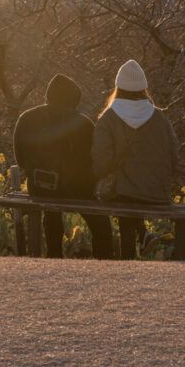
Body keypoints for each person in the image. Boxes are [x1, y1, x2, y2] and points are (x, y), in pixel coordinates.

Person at [13, 73, 113, 258]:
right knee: (101, 227)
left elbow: (20, 157)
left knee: (51, 212)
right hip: (77, 190)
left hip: (40, 187)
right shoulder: (83, 123)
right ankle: (105, 262)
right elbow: (94, 159)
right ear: (74, 99)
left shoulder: (27, 118)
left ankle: (54, 255)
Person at [92, 59, 179, 259]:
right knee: (129, 192)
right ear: (143, 89)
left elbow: (100, 164)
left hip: (123, 193)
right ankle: (143, 234)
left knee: (124, 194)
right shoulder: (159, 117)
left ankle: (134, 249)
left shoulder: (108, 118)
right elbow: (174, 156)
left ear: (118, 88)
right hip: (158, 192)